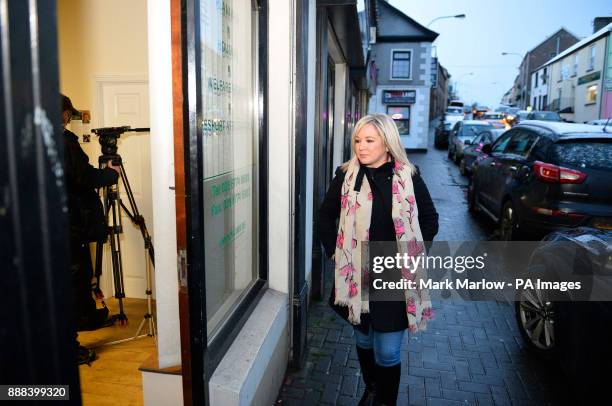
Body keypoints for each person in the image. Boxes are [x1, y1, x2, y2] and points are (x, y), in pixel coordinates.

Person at [318, 114, 439, 406]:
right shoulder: (346, 175)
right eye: (358, 140)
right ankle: (372, 387)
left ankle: (385, 401)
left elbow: (430, 219)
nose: (361, 146)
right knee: (363, 340)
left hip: (393, 275)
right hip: (357, 272)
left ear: (387, 142)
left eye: (369, 140)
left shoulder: (408, 176)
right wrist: (335, 253)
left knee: (388, 351)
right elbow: (325, 216)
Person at [61, 94, 119, 365]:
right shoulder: (64, 142)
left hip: (61, 225)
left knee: (79, 277)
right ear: (61, 114)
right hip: (69, 226)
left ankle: (88, 317)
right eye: (67, 113)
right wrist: (110, 175)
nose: (68, 118)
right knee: (73, 282)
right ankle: (70, 347)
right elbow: (82, 177)